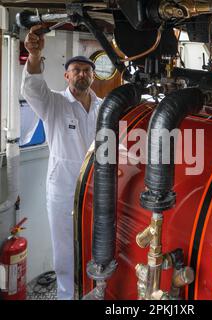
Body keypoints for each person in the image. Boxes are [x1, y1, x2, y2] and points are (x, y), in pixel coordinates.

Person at [21, 25, 102, 300]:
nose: (82, 74)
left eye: (86, 70)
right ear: (66, 75)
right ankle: (68, 296)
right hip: (64, 191)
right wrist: (34, 56)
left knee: (96, 244)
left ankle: (94, 292)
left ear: (93, 76)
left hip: (97, 188)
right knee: (65, 251)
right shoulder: (54, 104)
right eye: (76, 70)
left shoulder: (104, 107)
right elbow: (32, 89)